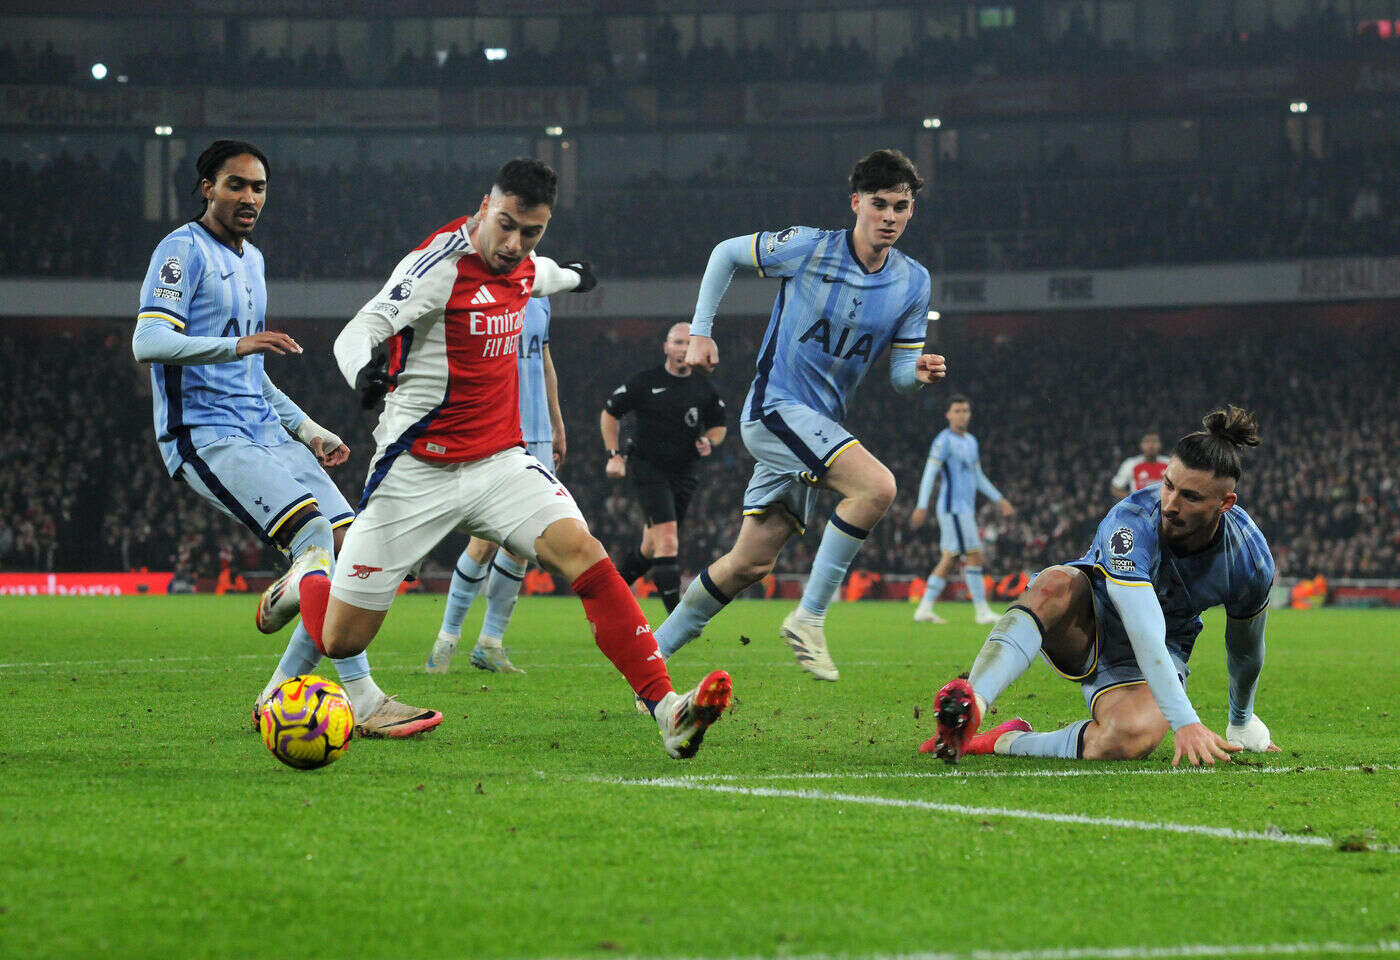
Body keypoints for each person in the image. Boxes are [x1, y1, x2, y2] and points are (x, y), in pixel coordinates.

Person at [318, 158, 732, 759]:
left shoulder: (524, 265)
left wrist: (579, 278)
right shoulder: (436, 267)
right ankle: (304, 579)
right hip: (416, 468)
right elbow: (357, 330)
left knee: (586, 554)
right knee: (340, 638)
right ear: (484, 207)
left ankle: (668, 710)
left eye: (530, 231)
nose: (513, 244)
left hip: (499, 464)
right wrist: (364, 371)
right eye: (505, 225)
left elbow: (547, 275)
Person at [132, 139, 441, 738]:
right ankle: (366, 698)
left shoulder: (253, 261)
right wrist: (237, 345)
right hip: (206, 433)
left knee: (354, 549)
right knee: (312, 534)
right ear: (207, 188)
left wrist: (307, 427)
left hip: (266, 430)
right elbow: (148, 343)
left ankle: (276, 690)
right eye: (236, 185)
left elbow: (251, 373)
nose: (249, 198)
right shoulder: (179, 253)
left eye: (258, 188)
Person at [652, 148, 945, 682]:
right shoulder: (809, 248)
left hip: (814, 428)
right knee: (876, 488)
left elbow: (900, 377)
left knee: (750, 563)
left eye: (901, 207)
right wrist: (700, 330)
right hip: (775, 411)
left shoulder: (914, 282)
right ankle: (809, 616)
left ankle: (651, 654)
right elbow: (724, 253)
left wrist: (918, 373)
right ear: (856, 202)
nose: (890, 217)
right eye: (879, 204)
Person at [924, 406, 1280, 768]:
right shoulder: (1132, 520)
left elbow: (1246, 650)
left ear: (1225, 503)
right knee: (1054, 583)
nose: (1171, 504)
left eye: (1190, 497)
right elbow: (1143, 629)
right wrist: (1186, 721)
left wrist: (1241, 721)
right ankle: (973, 705)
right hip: (1088, 619)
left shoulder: (1249, 557)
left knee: (1131, 738)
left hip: (1163, 647)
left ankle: (1006, 740)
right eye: (1168, 485)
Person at [426, 296, 562, 675]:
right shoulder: (486, 295)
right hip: (499, 431)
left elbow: (544, 363)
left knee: (522, 543)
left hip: (537, 435)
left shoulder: (542, 298)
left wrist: (556, 421)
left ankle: (490, 643)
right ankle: (446, 640)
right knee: (485, 539)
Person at [601, 321, 728, 613]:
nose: (683, 349)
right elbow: (610, 413)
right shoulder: (644, 381)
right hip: (648, 468)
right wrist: (614, 454)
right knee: (668, 542)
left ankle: (607, 596)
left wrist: (709, 440)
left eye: (687, 343)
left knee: (652, 547)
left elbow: (719, 425)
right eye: (677, 342)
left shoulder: (702, 388)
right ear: (666, 347)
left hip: (684, 473)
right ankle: (677, 618)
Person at [910, 394, 1015, 626]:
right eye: (957, 411)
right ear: (948, 414)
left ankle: (924, 608)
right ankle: (982, 612)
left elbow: (978, 477)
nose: (962, 415)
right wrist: (921, 505)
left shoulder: (971, 441)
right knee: (974, 554)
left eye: (965, 411)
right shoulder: (943, 440)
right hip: (953, 508)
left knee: (949, 559)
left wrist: (999, 499)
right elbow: (930, 473)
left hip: (964, 509)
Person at [1111, 430, 1170, 499]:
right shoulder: (1130, 464)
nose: (1151, 445)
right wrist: (1131, 500)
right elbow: (1115, 487)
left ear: (1160, 444)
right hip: (1139, 509)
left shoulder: (1170, 463)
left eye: (1154, 441)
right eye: (1147, 441)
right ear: (1141, 445)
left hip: (1165, 507)